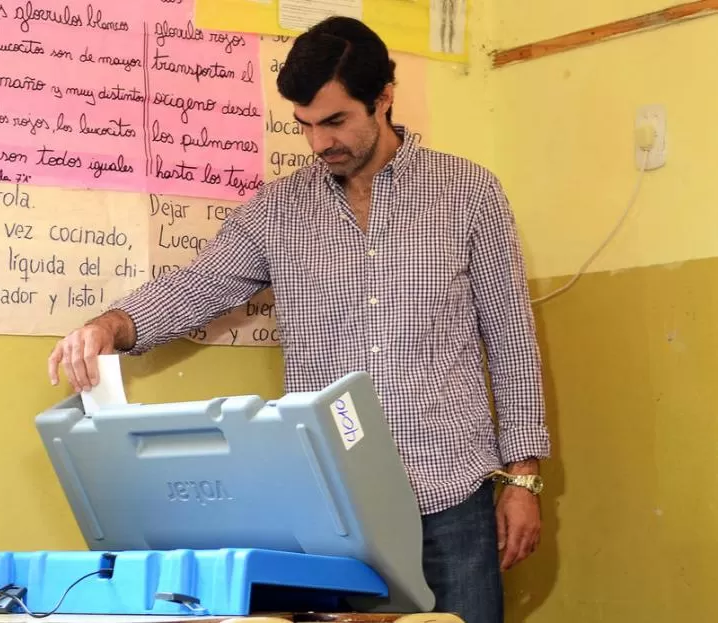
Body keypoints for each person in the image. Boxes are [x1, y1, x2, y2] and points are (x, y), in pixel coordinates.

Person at [47, 16, 550, 623]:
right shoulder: (278, 211)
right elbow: (199, 286)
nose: (318, 144)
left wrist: (522, 480)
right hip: (334, 510)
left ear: (383, 97)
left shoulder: (469, 193)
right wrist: (110, 328)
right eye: (305, 126)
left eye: (335, 121)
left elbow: (512, 341)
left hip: (450, 493)